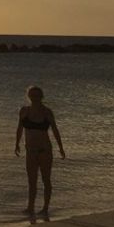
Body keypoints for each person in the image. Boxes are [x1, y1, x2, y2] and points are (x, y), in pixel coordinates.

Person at [15, 85, 66, 216]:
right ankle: (30, 207)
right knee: (31, 181)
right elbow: (20, 129)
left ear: (41, 97)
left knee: (46, 179)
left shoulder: (46, 112)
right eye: (32, 95)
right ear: (29, 96)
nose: (35, 98)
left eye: (37, 96)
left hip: (45, 150)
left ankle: (45, 208)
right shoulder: (24, 111)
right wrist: (17, 144)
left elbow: (55, 130)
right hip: (30, 151)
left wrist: (61, 147)